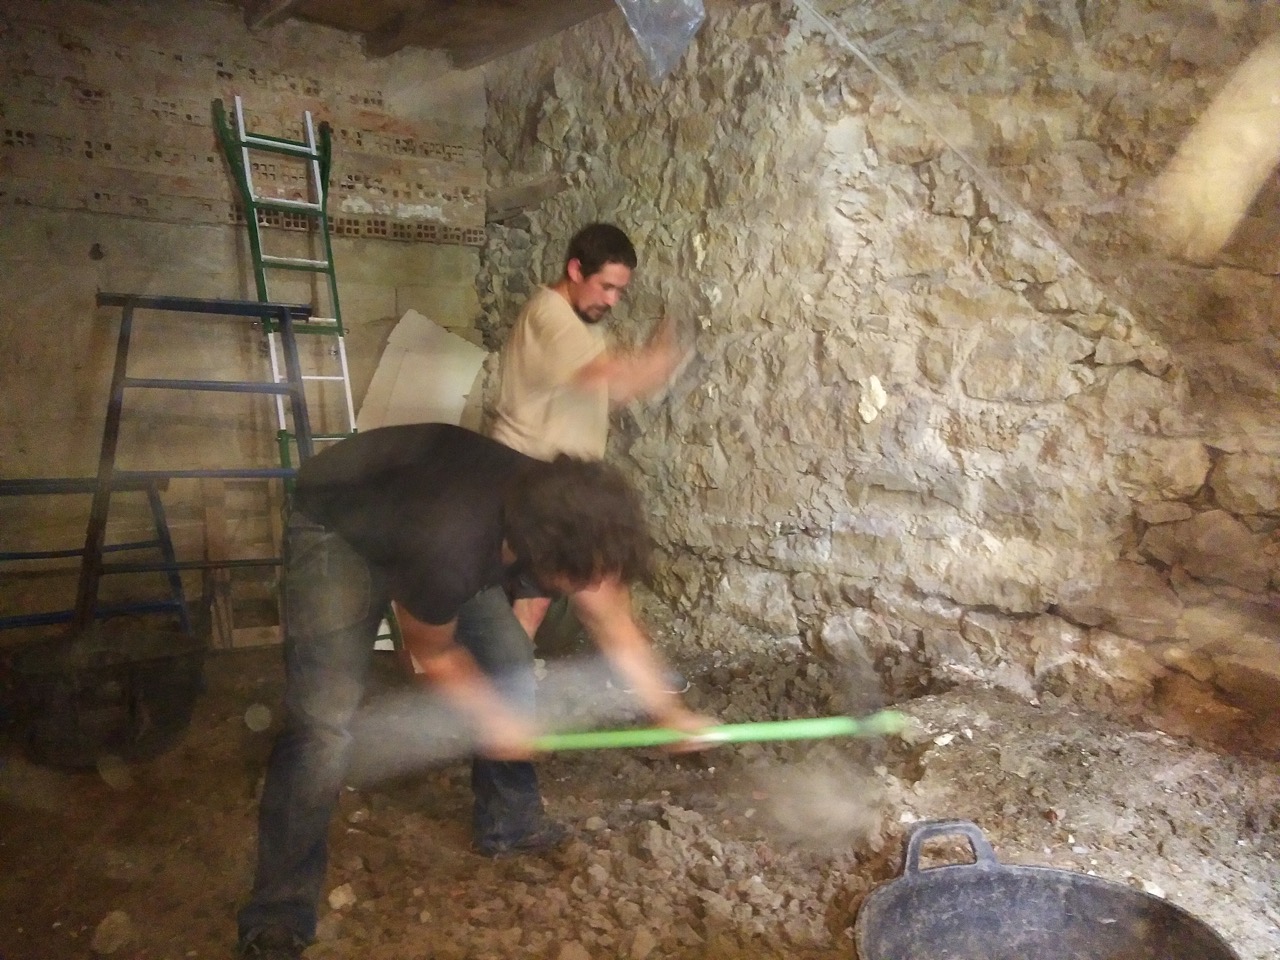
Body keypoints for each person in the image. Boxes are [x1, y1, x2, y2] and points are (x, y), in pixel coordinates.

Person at [236, 423, 709, 960]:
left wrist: (671, 712)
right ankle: (278, 913)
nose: (589, 589)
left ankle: (510, 822)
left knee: (509, 656)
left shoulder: (570, 516)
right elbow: (430, 652)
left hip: (428, 513)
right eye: (578, 580)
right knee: (322, 724)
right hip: (339, 523)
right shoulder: (451, 551)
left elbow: (611, 620)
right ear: (540, 561)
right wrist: (493, 719)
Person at [489, 223, 690, 660]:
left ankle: (515, 680)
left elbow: (611, 388)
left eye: (620, 291)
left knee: (553, 592)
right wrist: (658, 359)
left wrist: (645, 369)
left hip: (557, 479)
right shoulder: (551, 315)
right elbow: (601, 375)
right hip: (534, 473)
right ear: (576, 270)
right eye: (606, 287)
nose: (612, 300)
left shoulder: (581, 324)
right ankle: (512, 687)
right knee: (548, 595)